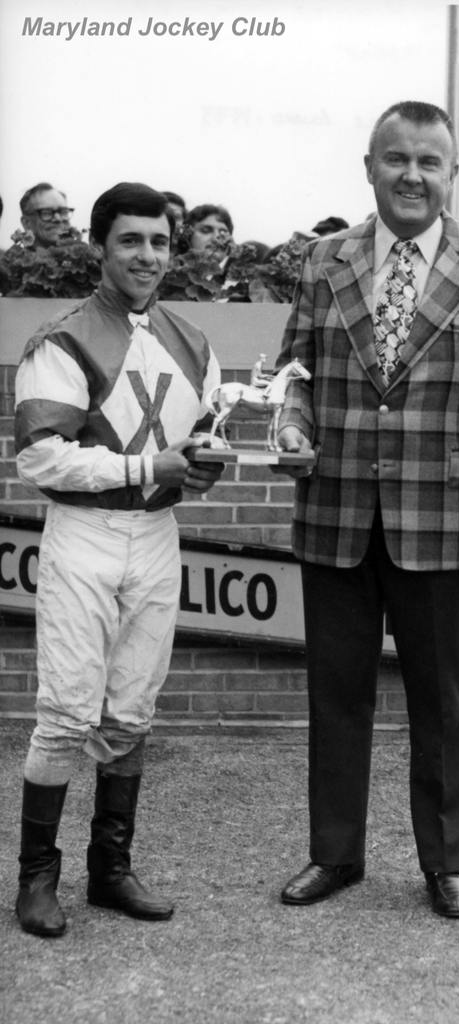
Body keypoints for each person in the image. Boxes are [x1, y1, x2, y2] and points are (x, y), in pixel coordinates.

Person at [275, 100, 459, 919]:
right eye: (395, 159)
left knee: (442, 699)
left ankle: (445, 863)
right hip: (335, 510)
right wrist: (292, 423)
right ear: (369, 167)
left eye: (428, 161)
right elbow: (296, 370)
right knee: (336, 694)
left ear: (452, 173)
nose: (411, 175)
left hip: (443, 516)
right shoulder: (323, 260)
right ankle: (334, 855)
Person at [13, 181, 224, 938]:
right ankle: (36, 878)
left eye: (161, 241)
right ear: (100, 246)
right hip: (85, 534)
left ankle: (111, 872)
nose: (147, 255)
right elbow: (42, 459)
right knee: (68, 711)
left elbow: (203, 438)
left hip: (156, 537)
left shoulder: (192, 340)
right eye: (131, 240)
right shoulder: (63, 338)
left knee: (131, 710)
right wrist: (149, 469)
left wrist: (202, 465)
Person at [18, 182, 77, 248]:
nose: (58, 219)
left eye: (63, 212)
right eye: (47, 213)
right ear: (26, 223)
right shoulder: (14, 258)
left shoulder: (85, 256)